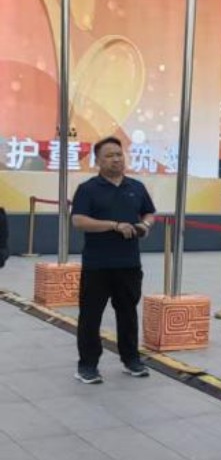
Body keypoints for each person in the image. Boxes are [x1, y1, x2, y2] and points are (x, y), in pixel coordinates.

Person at [70, 136, 156, 383]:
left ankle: (131, 360)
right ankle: (87, 366)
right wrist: (114, 225)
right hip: (97, 265)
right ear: (98, 161)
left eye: (119, 154)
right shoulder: (88, 189)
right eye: (109, 156)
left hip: (129, 264)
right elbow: (78, 221)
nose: (116, 159)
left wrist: (145, 225)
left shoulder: (136, 187)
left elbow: (149, 213)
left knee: (128, 313)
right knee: (90, 316)